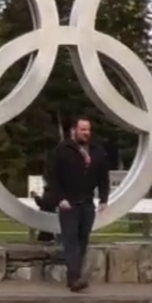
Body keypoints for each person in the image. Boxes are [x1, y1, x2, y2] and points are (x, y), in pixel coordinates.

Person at [43, 117, 110, 291]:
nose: (86, 133)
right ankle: (74, 277)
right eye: (83, 130)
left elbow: (103, 177)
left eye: (88, 130)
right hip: (69, 203)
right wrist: (60, 198)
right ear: (74, 131)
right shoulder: (62, 151)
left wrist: (104, 198)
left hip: (87, 203)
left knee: (82, 240)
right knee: (70, 239)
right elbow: (53, 177)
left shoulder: (97, 151)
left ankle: (74, 276)